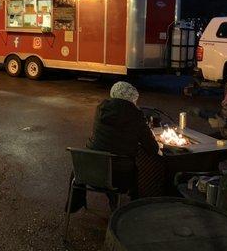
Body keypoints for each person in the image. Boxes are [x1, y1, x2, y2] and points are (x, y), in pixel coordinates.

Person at [67, 82, 160, 212]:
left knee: (106, 155)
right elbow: (152, 148)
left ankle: (76, 204)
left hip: (88, 171)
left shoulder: (101, 109)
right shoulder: (136, 116)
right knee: (136, 169)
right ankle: (135, 209)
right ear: (132, 99)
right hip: (118, 177)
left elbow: (110, 136)